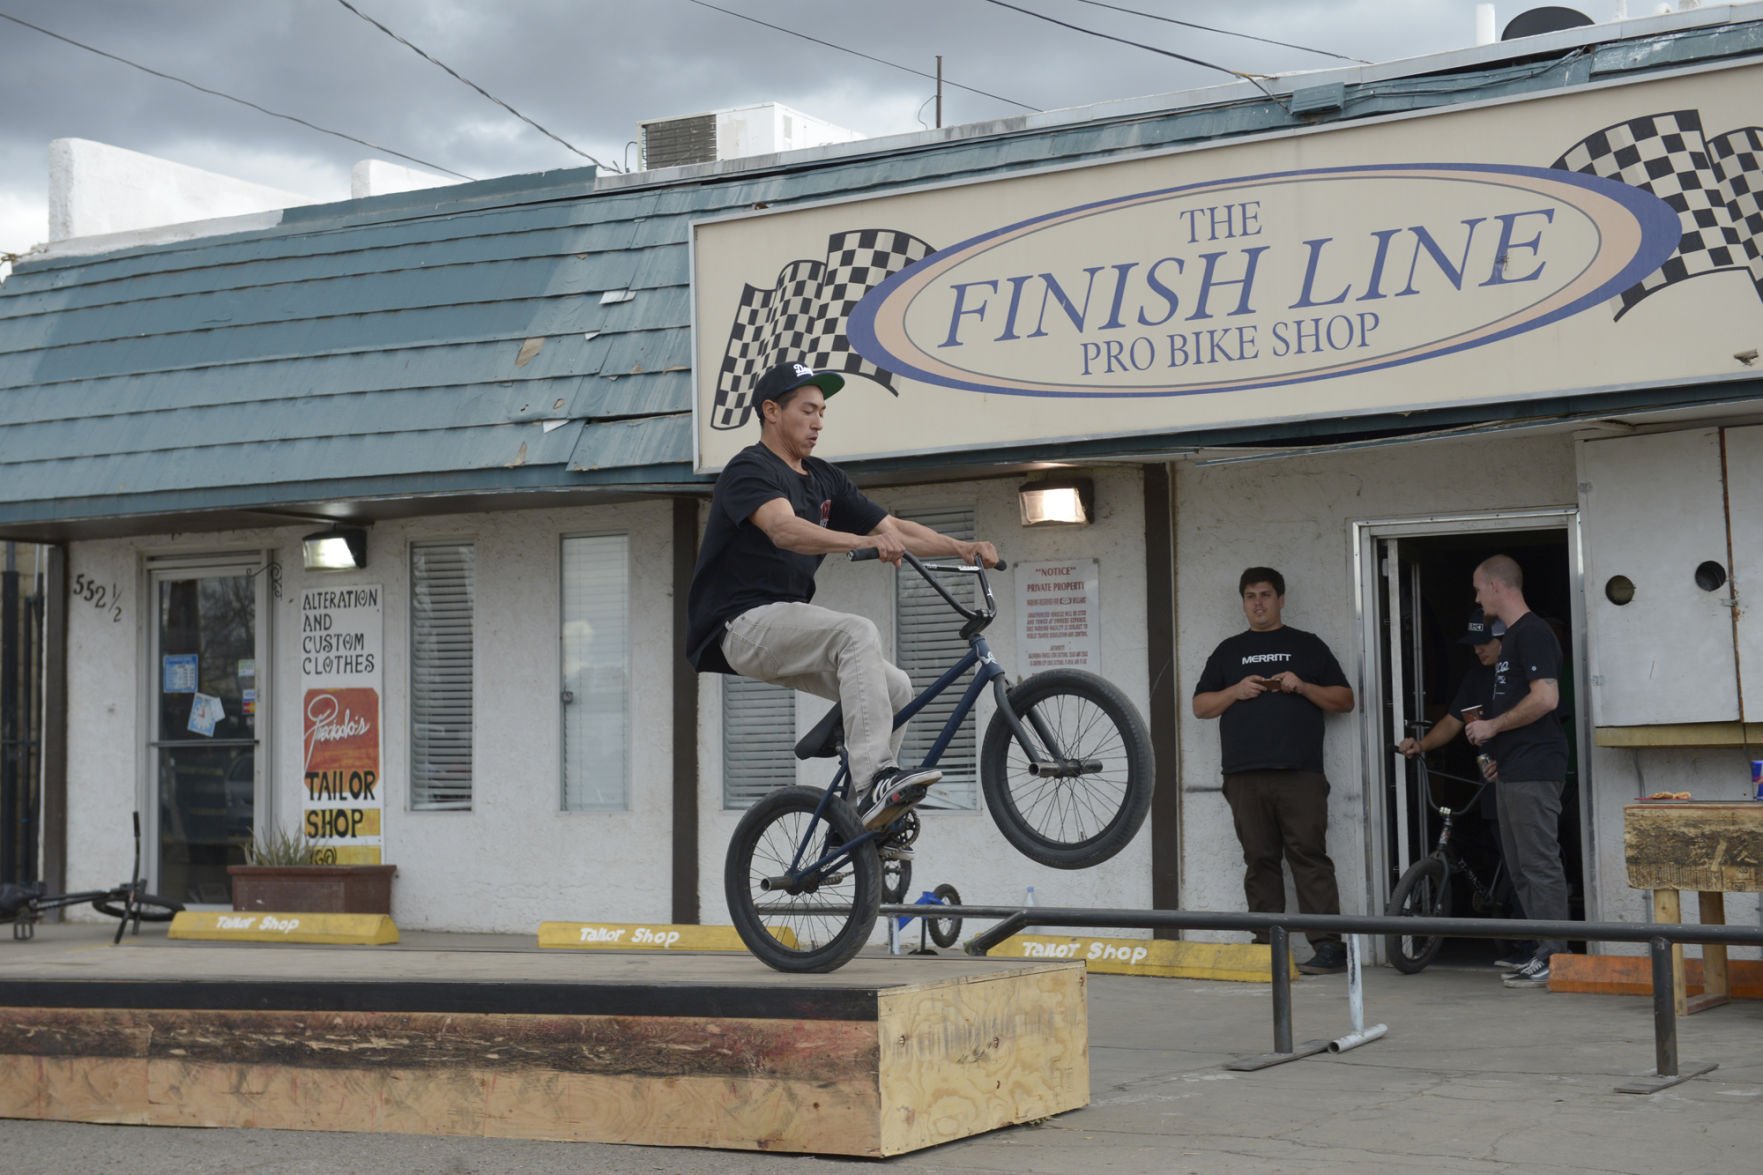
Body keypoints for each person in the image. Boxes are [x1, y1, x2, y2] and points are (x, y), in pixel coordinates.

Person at [686, 359, 999, 847]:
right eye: (807, 411)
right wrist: (859, 541)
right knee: (856, 631)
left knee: (897, 687)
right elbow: (783, 529)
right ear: (772, 411)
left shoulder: (824, 478)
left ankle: (856, 821)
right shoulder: (749, 469)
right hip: (738, 624)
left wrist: (961, 547)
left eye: (822, 412)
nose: (818, 422)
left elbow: (894, 530)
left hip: (784, 624)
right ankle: (875, 778)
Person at [1193, 567, 1356, 975]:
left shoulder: (1307, 646)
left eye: (1266, 594)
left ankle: (1329, 947)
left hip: (1300, 772)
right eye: (1250, 596)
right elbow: (1200, 706)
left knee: (1309, 856)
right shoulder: (1228, 651)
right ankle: (1267, 945)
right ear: (1243, 602)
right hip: (1244, 773)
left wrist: (1301, 686)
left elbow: (1345, 699)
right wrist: (1235, 691)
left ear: (1281, 599)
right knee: (1259, 859)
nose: (1259, 603)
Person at [1399, 609, 1533, 968]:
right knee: (1506, 857)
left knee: (1524, 865)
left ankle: (1532, 949)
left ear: (1504, 640)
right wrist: (1422, 745)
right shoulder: (1475, 676)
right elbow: (1452, 721)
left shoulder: (1524, 674)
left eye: (1483, 643)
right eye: (1472, 644)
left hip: (1523, 778)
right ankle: (1516, 939)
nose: (1477, 650)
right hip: (1488, 783)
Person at [1462, 554, 1572, 989]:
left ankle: (1556, 956)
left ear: (1496, 586)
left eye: (1477, 588)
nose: (1475, 596)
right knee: (1522, 865)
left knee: (1539, 862)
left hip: (1536, 766)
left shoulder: (1533, 632)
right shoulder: (1511, 640)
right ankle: (1541, 950)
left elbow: (1546, 699)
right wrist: (1497, 756)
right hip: (1514, 768)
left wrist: (1492, 725)